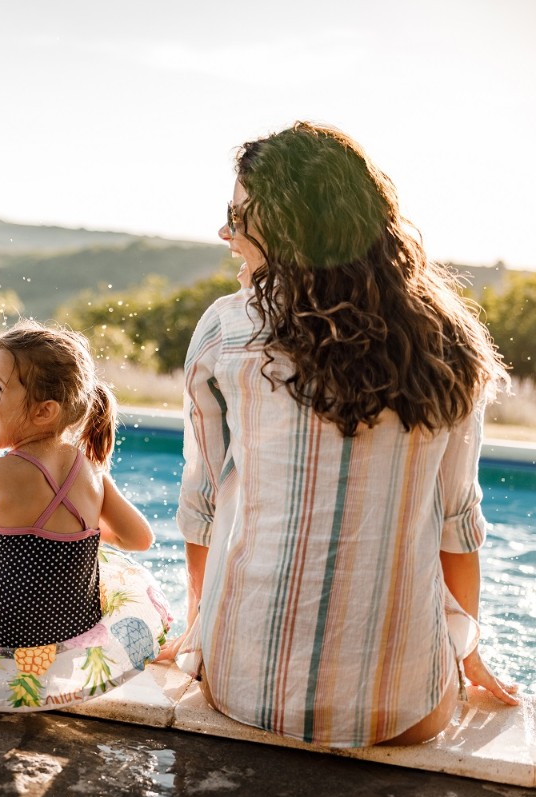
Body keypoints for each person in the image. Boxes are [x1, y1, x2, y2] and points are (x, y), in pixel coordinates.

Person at [158, 121, 521, 747]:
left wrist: (198, 636)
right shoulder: (450, 341)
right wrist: (466, 651)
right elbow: (458, 518)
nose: (225, 233)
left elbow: (206, 506)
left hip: (245, 692)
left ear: (294, 228)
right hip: (405, 711)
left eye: (240, 217)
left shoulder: (226, 328)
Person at [0, 321, 154, 647]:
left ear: (45, 411)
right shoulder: (93, 473)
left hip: (6, 637)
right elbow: (140, 538)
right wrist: (86, 529)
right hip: (75, 637)